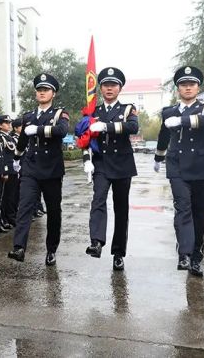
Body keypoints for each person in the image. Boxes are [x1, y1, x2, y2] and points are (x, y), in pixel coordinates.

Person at [153, 66, 204, 277]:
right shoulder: (168, 111)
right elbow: (164, 135)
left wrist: (183, 120)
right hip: (177, 165)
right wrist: (159, 156)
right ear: (178, 88)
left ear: (198, 87)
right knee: (183, 208)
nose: (188, 87)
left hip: (201, 167)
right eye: (183, 84)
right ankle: (184, 253)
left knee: (200, 214)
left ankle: (196, 257)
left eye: (191, 84)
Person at [8, 73, 69, 265]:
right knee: (24, 206)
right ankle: (19, 248)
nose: (42, 93)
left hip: (51, 169)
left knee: (53, 211)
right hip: (31, 168)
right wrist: (17, 157)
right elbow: (23, 139)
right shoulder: (29, 116)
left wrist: (40, 130)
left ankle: (51, 249)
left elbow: (62, 131)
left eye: (46, 90)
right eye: (39, 90)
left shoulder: (60, 113)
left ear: (53, 93)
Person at [83, 67, 138, 270]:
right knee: (98, 200)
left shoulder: (128, 109)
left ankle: (118, 253)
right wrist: (85, 160)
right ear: (100, 88)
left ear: (119, 88)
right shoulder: (93, 111)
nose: (109, 88)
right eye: (105, 85)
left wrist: (106, 127)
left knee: (121, 209)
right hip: (101, 164)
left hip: (122, 164)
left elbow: (133, 127)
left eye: (113, 85)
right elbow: (84, 138)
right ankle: (96, 242)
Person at [0, 115, 18, 228]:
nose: (9, 124)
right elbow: (3, 155)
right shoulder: (1, 137)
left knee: (12, 195)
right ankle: (6, 218)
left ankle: (12, 216)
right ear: (0, 125)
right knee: (6, 196)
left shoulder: (9, 138)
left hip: (13, 169)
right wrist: (4, 170)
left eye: (10, 122)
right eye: (6, 123)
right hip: (7, 170)